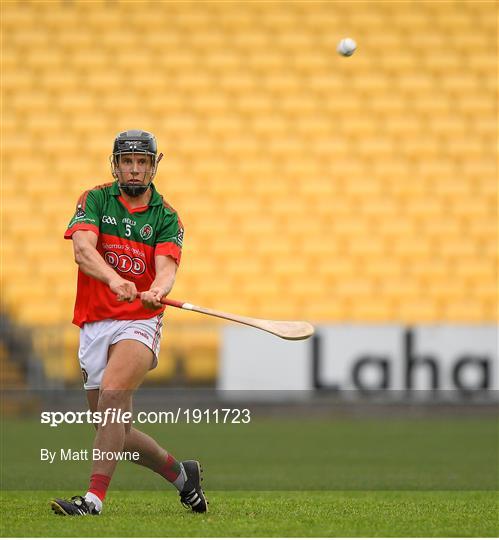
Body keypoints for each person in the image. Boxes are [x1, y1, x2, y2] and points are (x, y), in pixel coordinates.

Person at [50, 130, 207, 516]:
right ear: (116, 165)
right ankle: (183, 477)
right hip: (94, 322)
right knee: (113, 429)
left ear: (154, 167)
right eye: (128, 162)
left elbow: (167, 271)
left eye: (143, 162)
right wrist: (114, 278)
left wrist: (156, 289)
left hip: (140, 320)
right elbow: (83, 250)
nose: (135, 170)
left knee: (114, 394)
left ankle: (92, 501)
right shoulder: (95, 199)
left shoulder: (167, 217)